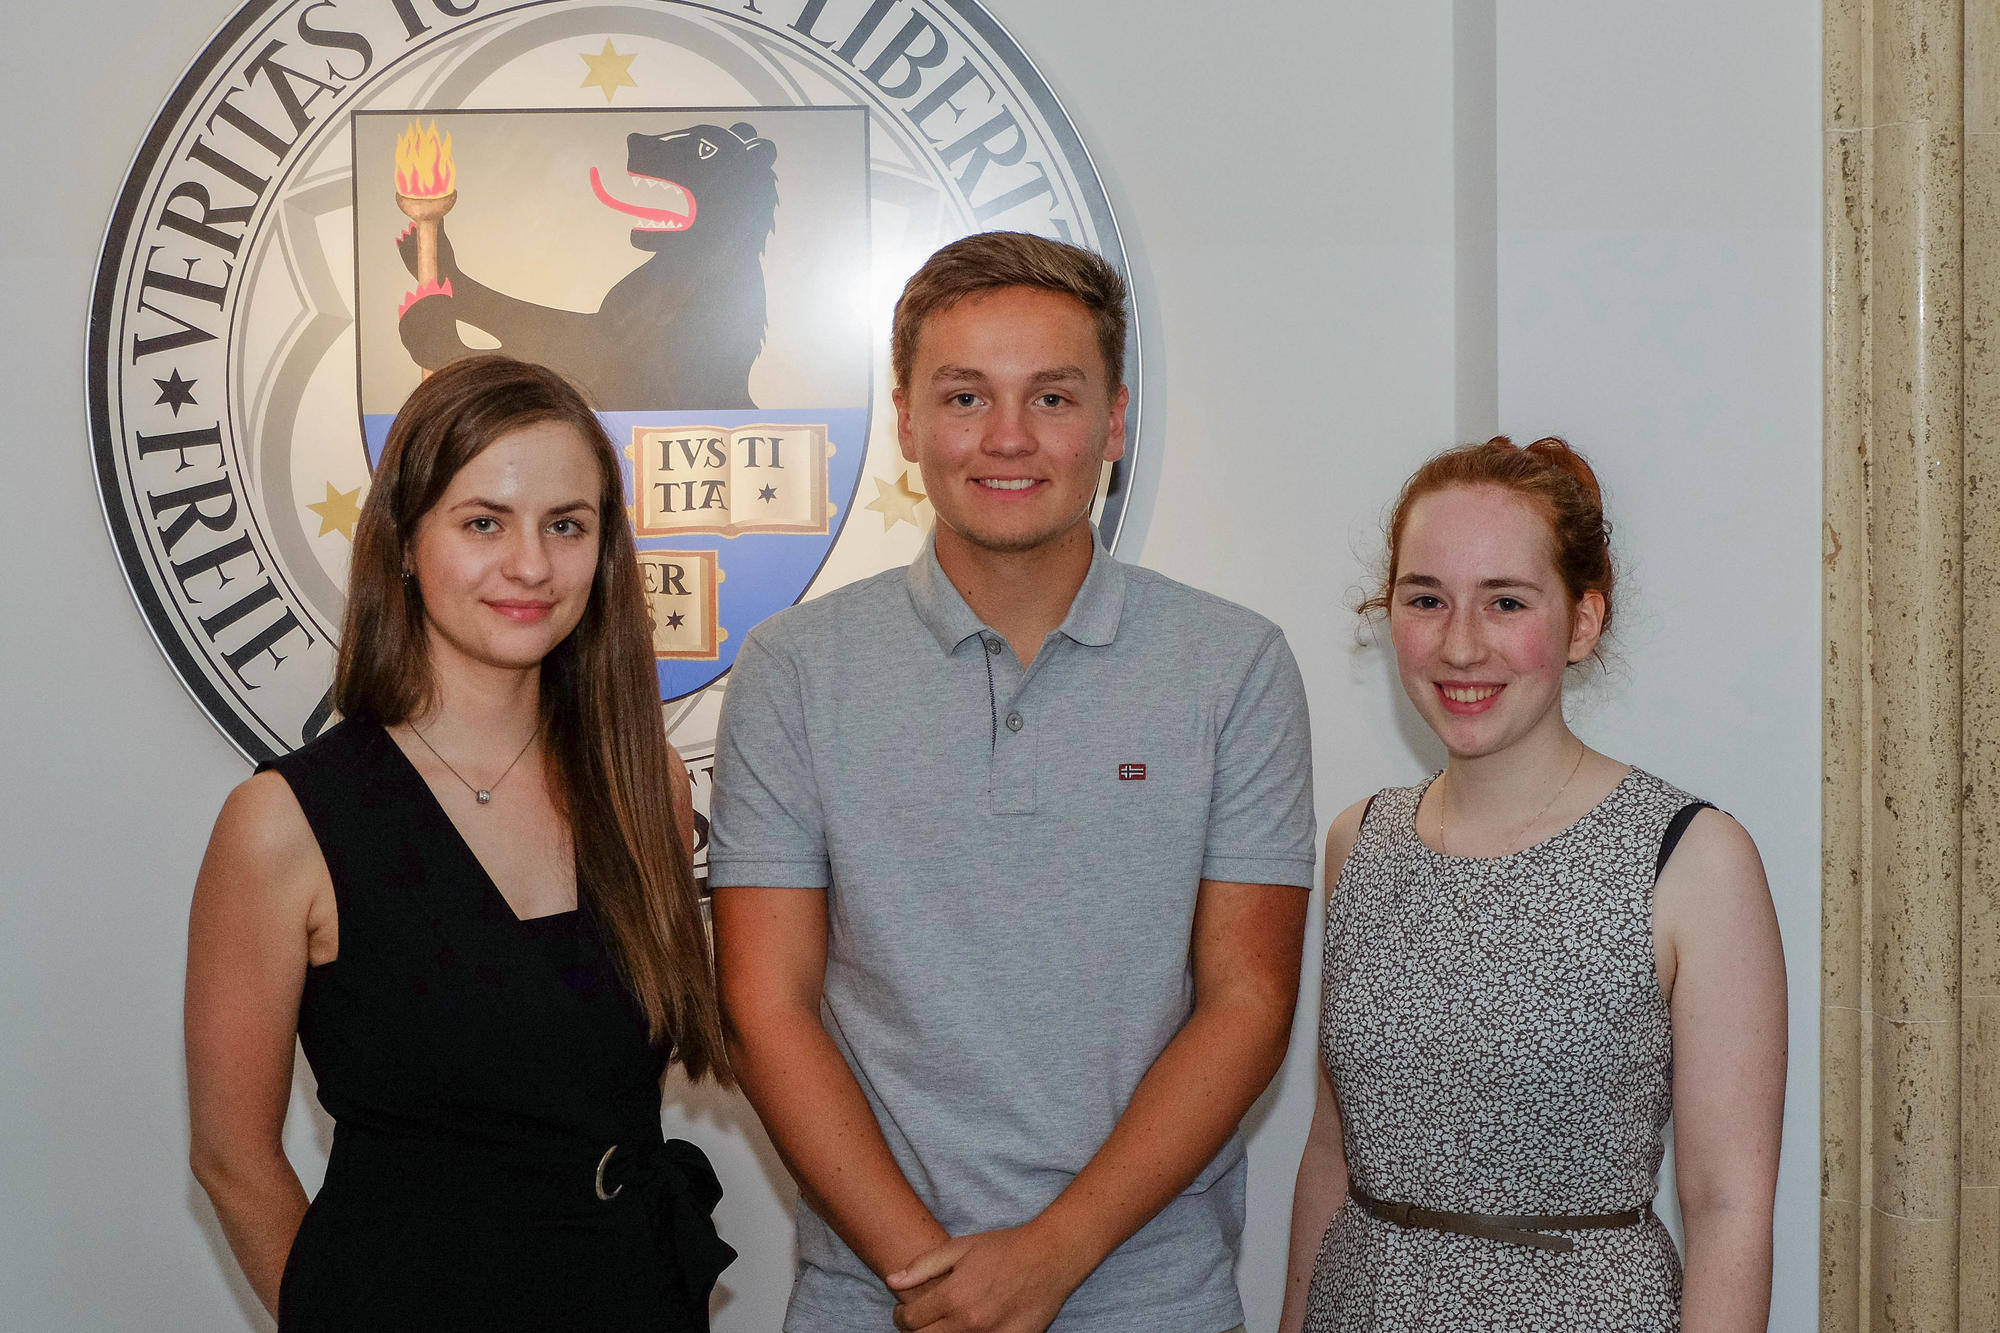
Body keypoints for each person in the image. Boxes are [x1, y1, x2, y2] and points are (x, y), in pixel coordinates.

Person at [708, 231, 1317, 1333]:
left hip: (1149, 1298)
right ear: (903, 419)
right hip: (876, 1299)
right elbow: (764, 1005)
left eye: (1051, 396)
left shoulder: (1231, 665)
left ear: (1114, 421)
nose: (1005, 437)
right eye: (962, 396)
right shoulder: (794, 669)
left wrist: (1051, 1255)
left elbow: (1248, 1002)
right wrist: (932, 1279)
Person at [185, 354, 735, 1331]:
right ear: (404, 541)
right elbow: (232, 1160)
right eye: (484, 521)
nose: (530, 564)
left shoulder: (645, 779)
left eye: (565, 524)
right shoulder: (285, 823)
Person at [1277, 437, 1787, 1332]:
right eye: (1425, 599)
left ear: (1582, 622)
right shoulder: (1358, 841)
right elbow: (1331, 1147)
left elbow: (1728, 1208)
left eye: (1505, 602)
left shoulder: (1693, 860)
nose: (1460, 644)